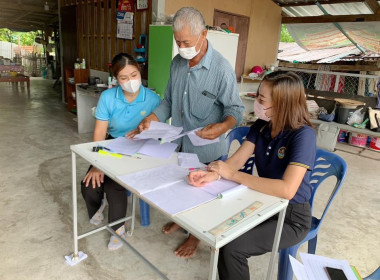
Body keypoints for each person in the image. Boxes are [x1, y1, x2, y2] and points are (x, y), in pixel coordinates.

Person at [127, 7, 244, 258]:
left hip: (208, 149)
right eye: (177, 41)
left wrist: (223, 127)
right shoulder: (177, 63)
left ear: (204, 35)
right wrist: (152, 117)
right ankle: (182, 221)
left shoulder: (221, 69)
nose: (181, 47)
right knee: (181, 188)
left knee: (201, 194)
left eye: (186, 42)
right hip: (179, 144)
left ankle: (195, 236)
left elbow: (236, 109)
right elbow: (168, 100)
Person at [188, 71, 316, 280]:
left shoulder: (303, 135)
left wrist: (232, 175)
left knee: (232, 247)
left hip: (291, 217)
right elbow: (237, 161)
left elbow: (287, 189)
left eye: (261, 99)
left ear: (282, 104)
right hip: (263, 202)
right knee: (218, 230)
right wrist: (213, 174)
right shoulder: (262, 125)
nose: (256, 102)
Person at [81, 53, 161, 250]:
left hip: (139, 148)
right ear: (116, 79)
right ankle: (97, 206)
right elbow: (99, 132)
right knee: (89, 184)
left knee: (114, 186)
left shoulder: (152, 99)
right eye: (124, 78)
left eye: (133, 75)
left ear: (139, 72)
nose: (130, 81)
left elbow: (158, 132)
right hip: (112, 145)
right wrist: (96, 165)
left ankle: (118, 228)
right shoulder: (108, 97)